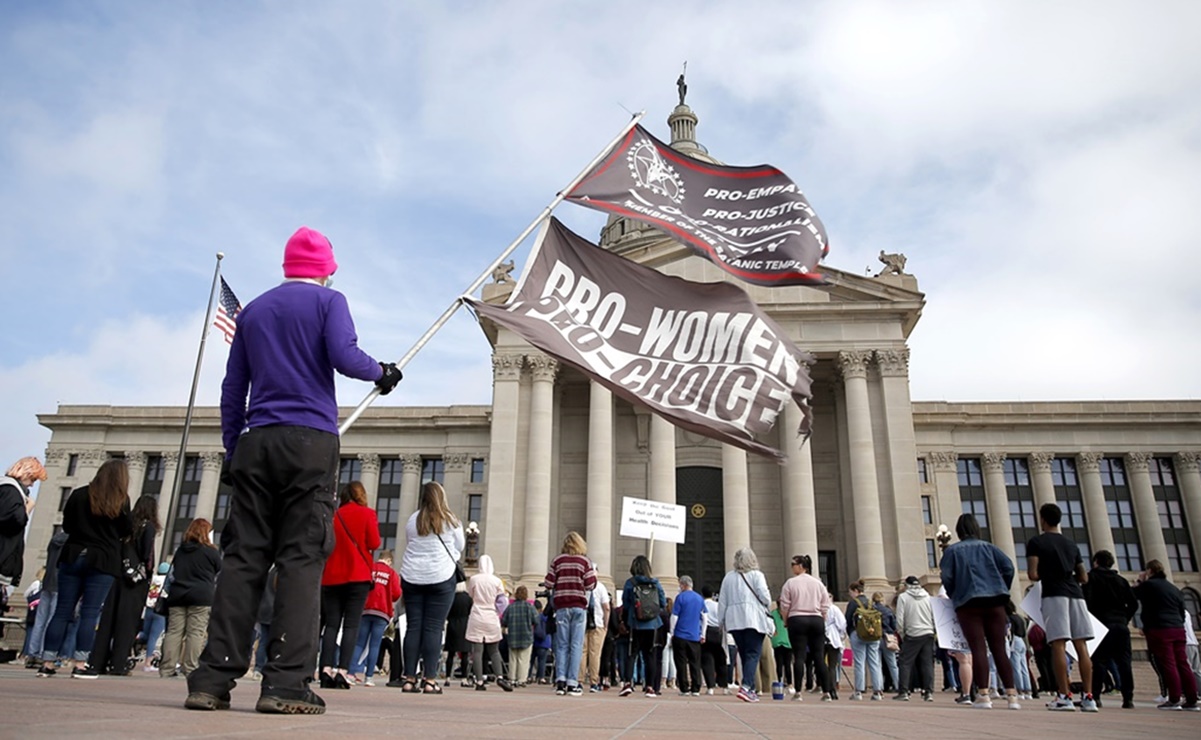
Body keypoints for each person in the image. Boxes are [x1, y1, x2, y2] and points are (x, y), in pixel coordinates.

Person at [186, 226, 402, 714]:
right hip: (310, 441)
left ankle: (212, 679)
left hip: (256, 441)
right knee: (302, 560)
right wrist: (382, 373)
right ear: (325, 269)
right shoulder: (330, 302)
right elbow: (345, 357)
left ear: (287, 267)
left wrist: (231, 450)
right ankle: (285, 683)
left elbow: (231, 387)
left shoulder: (255, 310)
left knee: (243, 561)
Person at [39, 459, 133, 678]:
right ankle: (80, 664)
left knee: (62, 611)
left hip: (74, 555)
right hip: (103, 560)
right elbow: (126, 530)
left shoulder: (80, 494)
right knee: (89, 613)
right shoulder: (121, 500)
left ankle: (47, 662)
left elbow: (68, 525)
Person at [1026, 503, 1094, 712]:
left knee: (1058, 644)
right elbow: (1084, 576)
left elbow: (1033, 574)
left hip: (1054, 594)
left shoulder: (1037, 542)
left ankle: (1064, 695)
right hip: (1076, 595)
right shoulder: (1071, 544)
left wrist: (1050, 573)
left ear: (1042, 519)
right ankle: (1089, 697)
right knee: (1081, 646)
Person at [399, 480, 465, 695]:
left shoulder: (413, 519)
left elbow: (410, 541)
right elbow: (460, 546)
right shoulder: (451, 520)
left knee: (414, 626)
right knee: (434, 628)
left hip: (412, 577)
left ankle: (409, 679)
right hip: (440, 577)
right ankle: (429, 680)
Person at [88, 493, 160, 675]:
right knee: (127, 623)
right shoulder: (148, 527)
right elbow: (147, 556)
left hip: (116, 576)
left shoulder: (126, 526)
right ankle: (118, 664)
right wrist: (148, 573)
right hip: (134, 582)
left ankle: (97, 662)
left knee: (108, 622)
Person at [318, 481, 381, 690]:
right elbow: (374, 543)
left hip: (332, 577)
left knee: (331, 625)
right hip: (358, 576)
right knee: (351, 625)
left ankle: (325, 669)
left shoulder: (333, 515)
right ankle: (343, 671)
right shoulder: (367, 514)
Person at [1133, 559, 1199, 711]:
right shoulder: (1174, 588)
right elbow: (1181, 611)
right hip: (1178, 629)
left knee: (1168, 663)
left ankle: (1174, 699)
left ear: (1150, 571)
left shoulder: (1149, 585)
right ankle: (1191, 700)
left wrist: (1140, 580)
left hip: (1160, 629)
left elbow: (1132, 594)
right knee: (1183, 664)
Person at [161, 518, 222, 679]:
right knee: (196, 633)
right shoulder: (211, 552)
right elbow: (219, 569)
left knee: (174, 632)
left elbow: (173, 573)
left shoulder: (180, 550)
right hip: (201, 595)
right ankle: (190, 668)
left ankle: (167, 668)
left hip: (178, 594)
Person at [544, 531, 597, 697]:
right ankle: (573, 683)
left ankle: (560, 681)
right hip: (579, 607)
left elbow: (548, 582)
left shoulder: (557, 561)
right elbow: (590, 585)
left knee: (561, 645)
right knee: (576, 645)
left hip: (561, 607)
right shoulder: (584, 561)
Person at [718, 547, 774, 703]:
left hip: (735, 621)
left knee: (744, 654)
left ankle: (752, 689)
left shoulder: (728, 577)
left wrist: (720, 621)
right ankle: (747, 686)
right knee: (752, 654)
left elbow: (722, 601)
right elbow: (765, 597)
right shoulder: (757, 575)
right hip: (753, 620)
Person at [1083, 549, 1137, 708]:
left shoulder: (1091, 578)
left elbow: (1086, 600)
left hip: (1102, 624)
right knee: (1124, 662)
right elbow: (1133, 603)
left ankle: (1096, 696)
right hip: (1121, 625)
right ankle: (1128, 698)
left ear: (1096, 562)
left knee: (1099, 661)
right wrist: (1124, 618)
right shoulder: (1121, 580)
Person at [778, 554, 832, 702]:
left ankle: (798, 692)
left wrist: (785, 620)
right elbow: (825, 604)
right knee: (819, 656)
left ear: (801, 566)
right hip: (816, 619)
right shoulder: (818, 583)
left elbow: (785, 605)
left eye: (793, 564)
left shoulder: (790, 583)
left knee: (799, 656)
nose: (792, 567)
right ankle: (826, 691)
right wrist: (822, 617)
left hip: (797, 619)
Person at [350, 549, 401, 687]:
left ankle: (350, 673)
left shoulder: (369, 568)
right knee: (375, 644)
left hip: (365, 609)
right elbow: (396, 594)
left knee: (359, 643)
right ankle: (369, 677)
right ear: (389, 561)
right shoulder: (391, 573)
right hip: (382, 612)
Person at [618, 554, 666, 698]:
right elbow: (662, 603)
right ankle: (650, 687)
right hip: (652, 625)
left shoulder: (630, 583)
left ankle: (627, 683)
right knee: (650, 655)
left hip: (635, 623)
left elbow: (625, 604)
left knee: (631, 654)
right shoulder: (656, 583)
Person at [465, 554, 511, 691]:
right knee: (494, 650)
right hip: (491, 615)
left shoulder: (474, 579)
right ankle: (500, 677)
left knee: (477, 651)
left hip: (477, 615)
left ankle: (479, 681)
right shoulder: (497, 581)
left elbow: (471, 595)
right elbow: (502, 602)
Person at [25, 530, 68, 669]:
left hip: (47, 582)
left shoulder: (54, 540)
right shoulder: (69, 541)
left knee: (40, 621)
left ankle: (32, 654)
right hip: (60, 583)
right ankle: (44, 653)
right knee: (51, 620)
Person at [0, 457, 45, 589]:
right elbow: (15, 522)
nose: (32, 485)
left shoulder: (5, 488)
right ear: (25, 473)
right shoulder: (11, 491)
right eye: (33, 479)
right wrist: (28, 507)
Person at [893, 575, 935, 702]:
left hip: (912, 633)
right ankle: (928, 692)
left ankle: (904, 691)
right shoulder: (928, 597)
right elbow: (933, 615)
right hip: (928, 632)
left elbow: (900, 618)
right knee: (927, 663)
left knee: (905, 662)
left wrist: (902, 633)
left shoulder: (903, 597)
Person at [844, 581, 884, 701]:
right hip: (873, 635)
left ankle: (859, 691)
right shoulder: (871, 602)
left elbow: (847, 620)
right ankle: (878, 691)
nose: (850, 594)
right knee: (874, 662)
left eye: (851, 592)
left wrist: (851, 633)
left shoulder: (853, 603)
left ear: (855, 590)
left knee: (859, 662)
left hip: (858, 634)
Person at [671, 575, 706, 697]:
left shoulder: (680, 598)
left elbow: (674, 617)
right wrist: (703, 634)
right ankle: (696, 688)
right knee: (695, 662)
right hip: (694, 636)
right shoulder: (699, 598)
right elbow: (704, 618)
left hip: (680, 635)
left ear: (683, 585)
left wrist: (672, 632)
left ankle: (684, 687)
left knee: (680, 662)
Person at [580, 564, 611, 693]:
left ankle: (579, 681)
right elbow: (606, 607)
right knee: (595, 654)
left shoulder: (582, 586)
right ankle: (593, 682)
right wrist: (606, 624)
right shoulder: (601, 587)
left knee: (582, 653)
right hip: (598, 624)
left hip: (582, 623)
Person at [501, 585, 537, 686]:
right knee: (524, 659)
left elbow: (503, 620)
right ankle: (521, 679)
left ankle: (512, 678)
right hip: (526, 636)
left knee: (513, 659)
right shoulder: (530, 607)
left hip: (513, 636)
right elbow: (536, 620)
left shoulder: (510, 607)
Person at [699, 585, 727, 695]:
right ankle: (724, 686)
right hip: (717, 632)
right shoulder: (718, 605)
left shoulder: (702, 605)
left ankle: (710, 687)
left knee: (707, 660)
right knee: (721, 660)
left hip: (706, 632)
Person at [444, 583, 472, 686]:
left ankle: (447, 677)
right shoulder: (468, 598)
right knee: (464, 654)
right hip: (464, 625)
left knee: (451, 654)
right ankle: (464, 678)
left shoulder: (451, 597)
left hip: (452, 624)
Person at [1006, 599, 1033, 701]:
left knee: (1016, 667)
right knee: (1024, 667)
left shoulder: (1010, 618)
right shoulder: (1020, 618)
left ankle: (1020, 689)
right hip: (1022, 641)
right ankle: (1028, 690)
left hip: (1015, 641)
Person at [874, 592, 899, 692]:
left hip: (875, 638)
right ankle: (898, 685)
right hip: (888, 638)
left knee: (877, 664)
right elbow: (894, 626)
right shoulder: (888, 611)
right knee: (892, 664)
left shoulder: (871, 610)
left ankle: (879, 686)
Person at [824, 591, 846, 700]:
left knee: (823, 665)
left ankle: (825, 688)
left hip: (821, 638)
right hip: (833, 638)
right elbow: (842, 624)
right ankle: (832, 689)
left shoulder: (818, 608)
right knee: (832, 666)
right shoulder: (834, 609)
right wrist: (841, 636)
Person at [529, 600, 552, 685]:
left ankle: (528, 676)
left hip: (534, 641)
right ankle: (541, 678)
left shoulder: (533, 616)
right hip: (544, 642)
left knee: (530, 661)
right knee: (542, 661)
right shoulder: (545, 617)